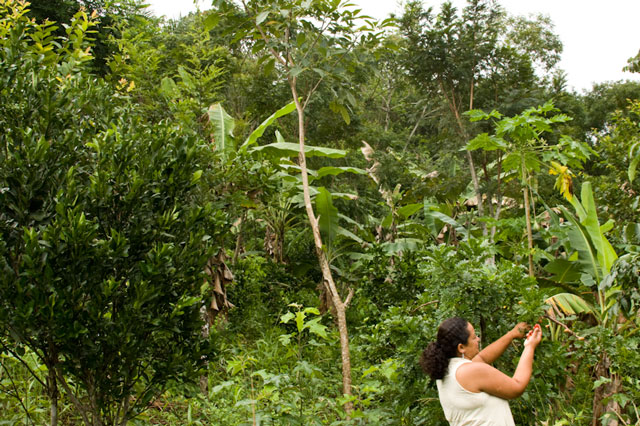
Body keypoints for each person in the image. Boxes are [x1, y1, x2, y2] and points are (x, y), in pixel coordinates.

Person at [419, 317, 542, 426]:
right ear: (461, 347)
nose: (477, 339)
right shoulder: (470, 371)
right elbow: (517, 386)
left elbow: (482, 358)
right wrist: (530, 346)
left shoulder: (448, 370)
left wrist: (512, 334)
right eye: (473, 337)